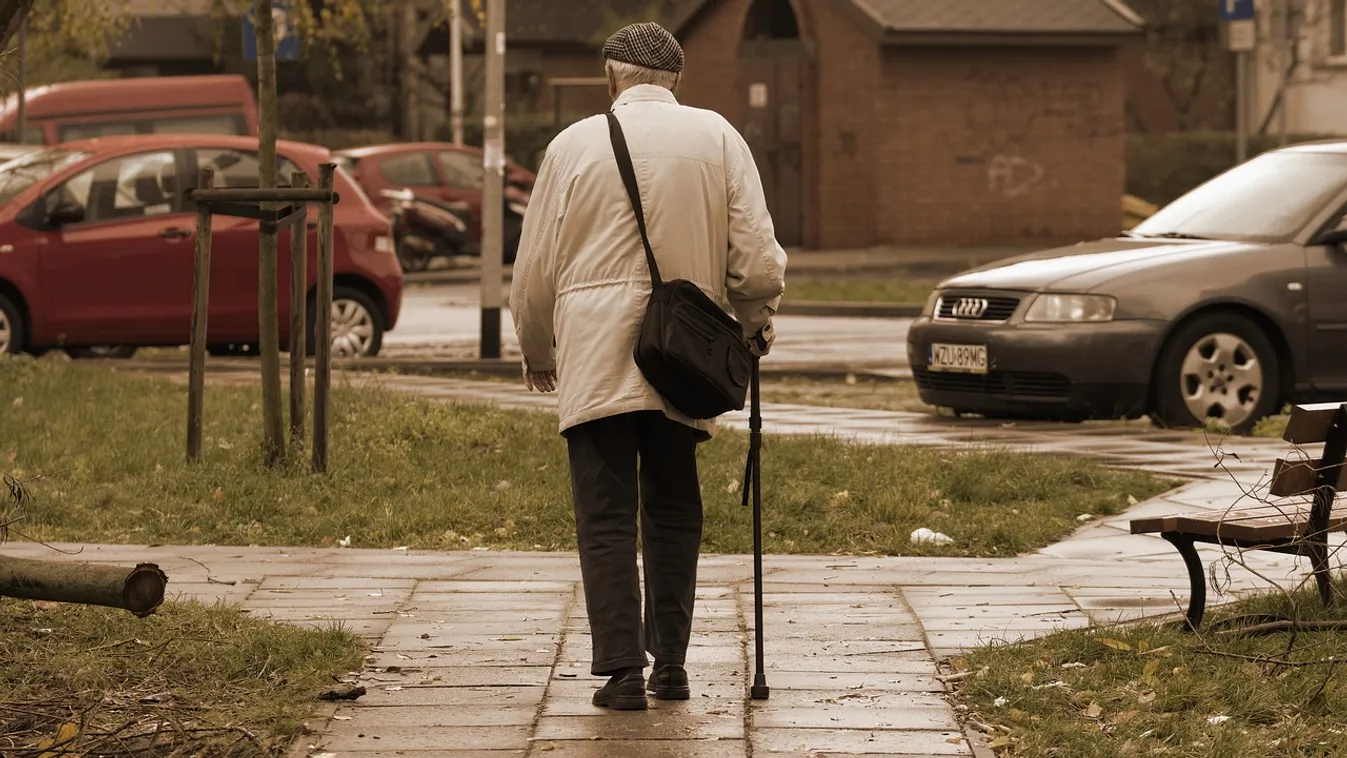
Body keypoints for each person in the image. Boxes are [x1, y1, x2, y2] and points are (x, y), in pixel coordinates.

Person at [508, 21, 788, 711]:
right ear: (675, 82)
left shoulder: (570, 146)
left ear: (611, 79)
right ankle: (673, 668)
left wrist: (538, 348)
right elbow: (754, 254)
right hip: (680, 352)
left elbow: (535, 266)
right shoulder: (717, 137)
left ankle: (622, 672)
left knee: (604, 512)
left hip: (594, 348)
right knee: (672, 508)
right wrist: (754, 324)